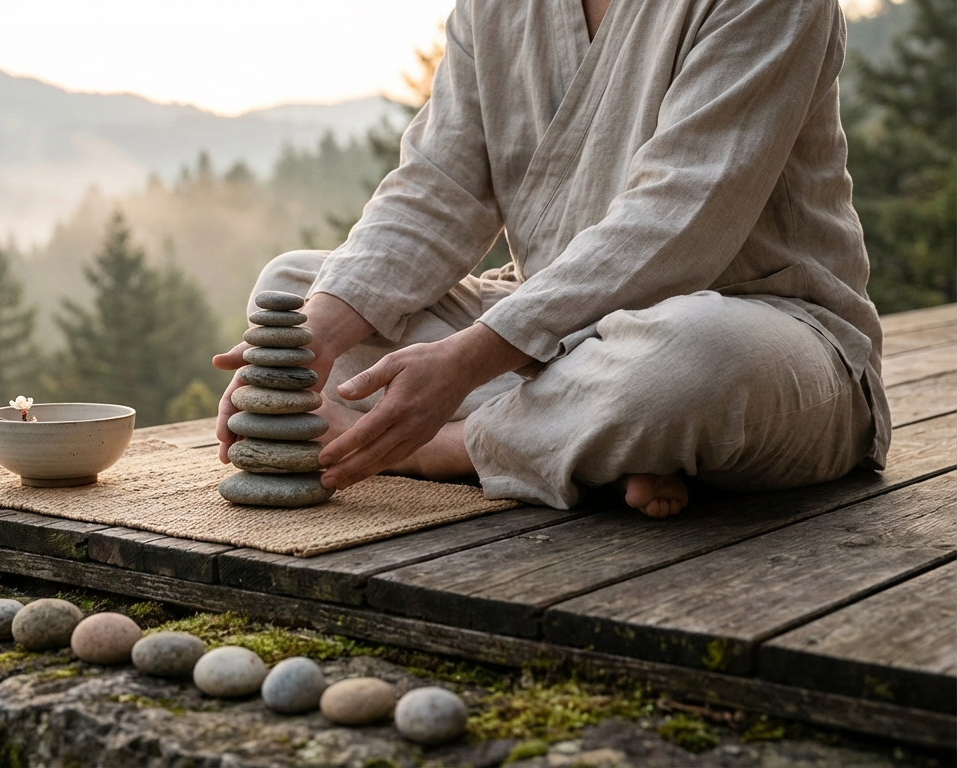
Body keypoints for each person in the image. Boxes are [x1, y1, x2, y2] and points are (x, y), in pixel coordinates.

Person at [214, 0, 890, 517]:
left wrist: (467, 364)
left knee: (685, 363)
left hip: (762, 333)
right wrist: (312, 339)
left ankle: (439, 450)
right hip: (548, 333)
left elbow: (680, 217)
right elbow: (438, 189)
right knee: (298, 288)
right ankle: (585, 446)